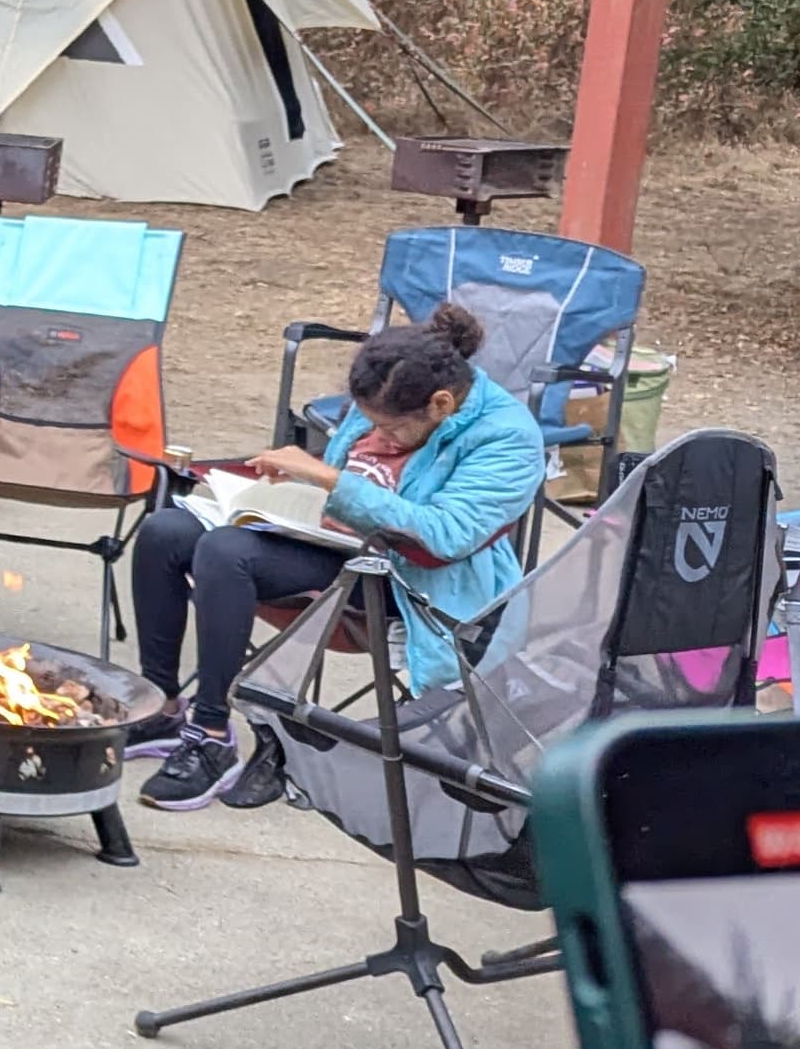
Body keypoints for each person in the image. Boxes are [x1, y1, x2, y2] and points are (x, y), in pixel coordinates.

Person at [131, 301, 544, 812]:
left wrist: (329, 480)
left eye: (390, 429)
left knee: (225, 551)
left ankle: (210, 735)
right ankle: (162, 707)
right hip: (333, 541)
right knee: (165, 531)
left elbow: (447, 536)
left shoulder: (508, 436)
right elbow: (346, 474)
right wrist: (293, 488)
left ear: (441, 405)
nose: (380, 437)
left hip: (408, 579)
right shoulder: (392, 398)